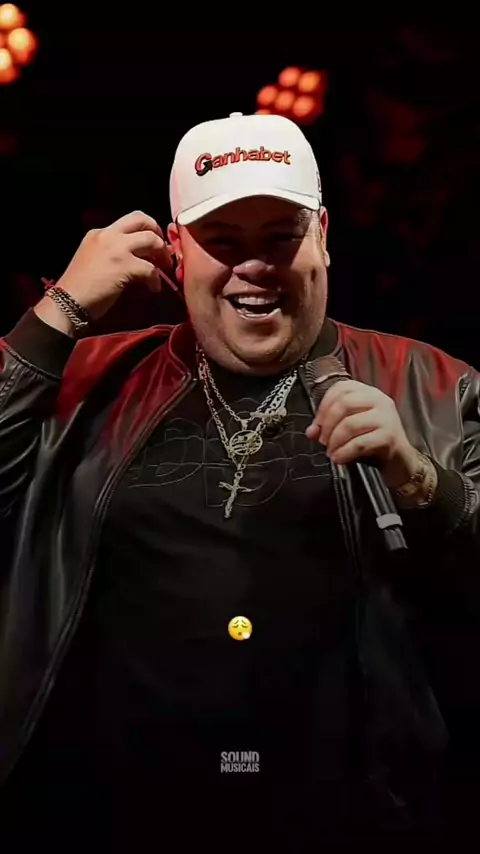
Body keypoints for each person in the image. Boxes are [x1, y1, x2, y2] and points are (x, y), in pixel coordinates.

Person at [1, 111, 479, 846]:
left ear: (322, 235)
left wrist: (418, 479)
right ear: (175, 250)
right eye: (223, 241)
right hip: (114, 818)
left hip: (354, 821)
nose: (253, 266)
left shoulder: (437, 387)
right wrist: (57, 313)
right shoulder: (91, 381)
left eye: (280, 237)